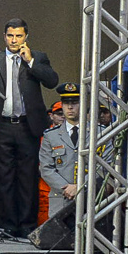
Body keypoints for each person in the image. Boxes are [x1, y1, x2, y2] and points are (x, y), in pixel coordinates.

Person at [0, 18, 61, 238]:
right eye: (10, 35)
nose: (14, 40)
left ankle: (27, 224)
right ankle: (6, 225)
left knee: (27, 177)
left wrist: (31, 61)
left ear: (26, 37)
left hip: (27, 125)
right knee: (3, 178)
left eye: (18, 36)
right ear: (4, 36)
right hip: (1, 125)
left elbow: (52, 81)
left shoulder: (38, 57)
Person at [39, 84, 83, 215]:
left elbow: (104, 167)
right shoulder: (50, 135)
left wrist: (80, 186)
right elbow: (46, 168)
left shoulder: (97, 133)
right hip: (60, 198)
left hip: (90, 197)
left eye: (74, 103)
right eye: (66, 103)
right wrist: (66, 188)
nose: (70, 107)